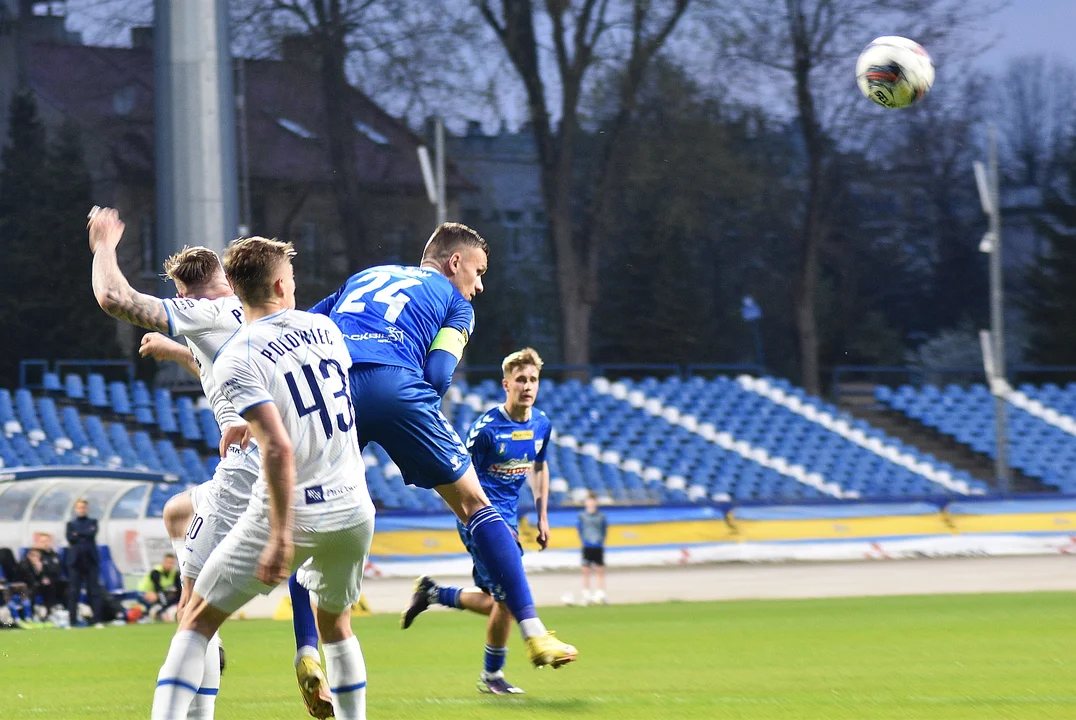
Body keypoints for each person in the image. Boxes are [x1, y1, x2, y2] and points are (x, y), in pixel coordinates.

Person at [286, 223, 576, 679]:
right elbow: (440, 374)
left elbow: (301, 328)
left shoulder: (365, 276)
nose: (479, 285)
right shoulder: (455, 304)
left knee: (308, 520)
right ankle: (535, 631)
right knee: (474, 504)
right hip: (397, 385)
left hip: (333, 389)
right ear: (453, 262)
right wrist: (405, 404)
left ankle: (306, 651)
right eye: (478, 272)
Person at [151, 237, 376, 720]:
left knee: (195, 618)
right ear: (280, 284)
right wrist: (249, 421)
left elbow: (277, 444)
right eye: (291, 279)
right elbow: (309, 395)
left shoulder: (238, 355)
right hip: (355, 508)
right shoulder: (325, 329)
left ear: (233, 287)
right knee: (336, 625)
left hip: (297, 510)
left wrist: (277, 537)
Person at [89, 206, 262, 715]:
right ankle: (211, 643)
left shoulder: (204, 313)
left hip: (246, 471)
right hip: (281, 467)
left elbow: (114, 298)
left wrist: (103, 245)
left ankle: (196, 704)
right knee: (177, 512)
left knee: (192, 611)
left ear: (186, 295)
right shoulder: (247, 314)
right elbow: (217, 357)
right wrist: (177, 350)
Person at [401, 348, 553, 695]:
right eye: (520, 380)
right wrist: (484, 522)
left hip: (510, 519)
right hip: (481, 519)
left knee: (498, 602)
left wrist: (543, 516)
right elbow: (462, 475)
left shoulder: (541, 424)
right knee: (508, 601)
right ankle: (492, 676)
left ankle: (434, 593)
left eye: (532, 380)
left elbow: (540, 467)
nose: (527, 386)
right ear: (506, 384)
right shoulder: (486, 430)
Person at [65, 498, 101, 626]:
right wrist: (82, 534)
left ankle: (97, 620)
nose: (81, 509)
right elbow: (70, 537)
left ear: (87, 508)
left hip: (91, 561)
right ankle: (72, 621)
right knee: (74, 592)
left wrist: (77, 534)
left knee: (94, 591)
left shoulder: (93, 522)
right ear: (76, 509)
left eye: (83, 507)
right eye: (79, 507)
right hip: (75, 562)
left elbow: (91, 533)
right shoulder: (70, 524)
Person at [577, 492, 609, 605]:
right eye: (589, 501)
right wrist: (584, 541)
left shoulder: (601, 516)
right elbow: (580, 529)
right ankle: (586, 593)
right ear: (586, 502)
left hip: (598, 545)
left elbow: (604, 529)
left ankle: (600, 593)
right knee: (586, 570)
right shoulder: (582, 516)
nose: (591, 503)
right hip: (587, 545)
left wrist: (601, 540)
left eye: (593, 501)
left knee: (600, 569)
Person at [15, 548, 61, 615]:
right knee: (34, 589)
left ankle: (49, 611)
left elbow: (41, 578)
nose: (37, 558)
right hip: (22, 587)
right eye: (35, 556)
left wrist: (41, 572)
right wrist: (38, 571)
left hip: (34, 585)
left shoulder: (38, 564)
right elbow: (31, 580)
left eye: (39, 556)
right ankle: (30, 614)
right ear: (29, 556)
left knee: (49, 587)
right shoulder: (24, 565)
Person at [139, 553, 182, 621]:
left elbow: (179, 590)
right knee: (155, 596)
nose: (170, 565)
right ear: (164, 562)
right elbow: (158, 590)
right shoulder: (156, 572)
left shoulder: (174, 573)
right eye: (168, 563)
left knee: (173, 594)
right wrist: (164, 609)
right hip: (144, 592)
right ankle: (150, 613)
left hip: (160, 593)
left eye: (172, 563)